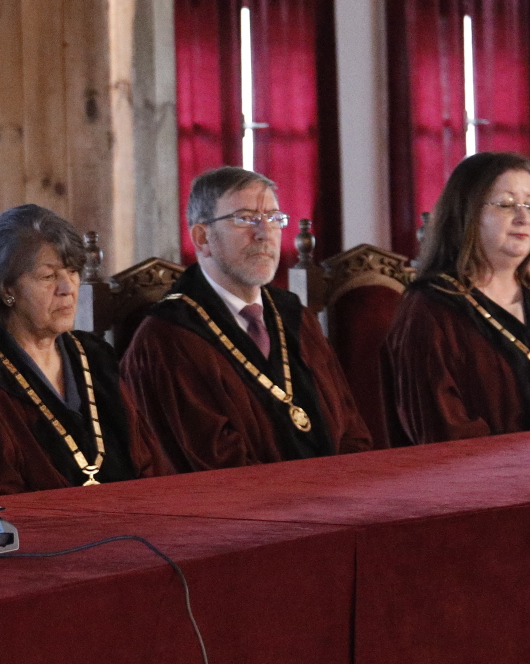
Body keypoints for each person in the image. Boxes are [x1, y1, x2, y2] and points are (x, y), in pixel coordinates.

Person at [121, 168, 371, 471]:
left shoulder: (294, 316)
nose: (264, 233)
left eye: (274, 218)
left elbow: (351, 429)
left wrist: (350, 483)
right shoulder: (167, 339)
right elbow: (213, 467)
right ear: (202, 238)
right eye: (245, 218)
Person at [383, 152, 530, 440]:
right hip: (487, 468)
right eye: (507, 205)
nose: (523, 218)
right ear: (466, 214)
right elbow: (443, 431)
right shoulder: (431, 309)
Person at [0, 204, 167, 495]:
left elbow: (147, 464)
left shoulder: (94, 357)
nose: (68, 288)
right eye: (48, 276)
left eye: (72, 271)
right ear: (6, 289)